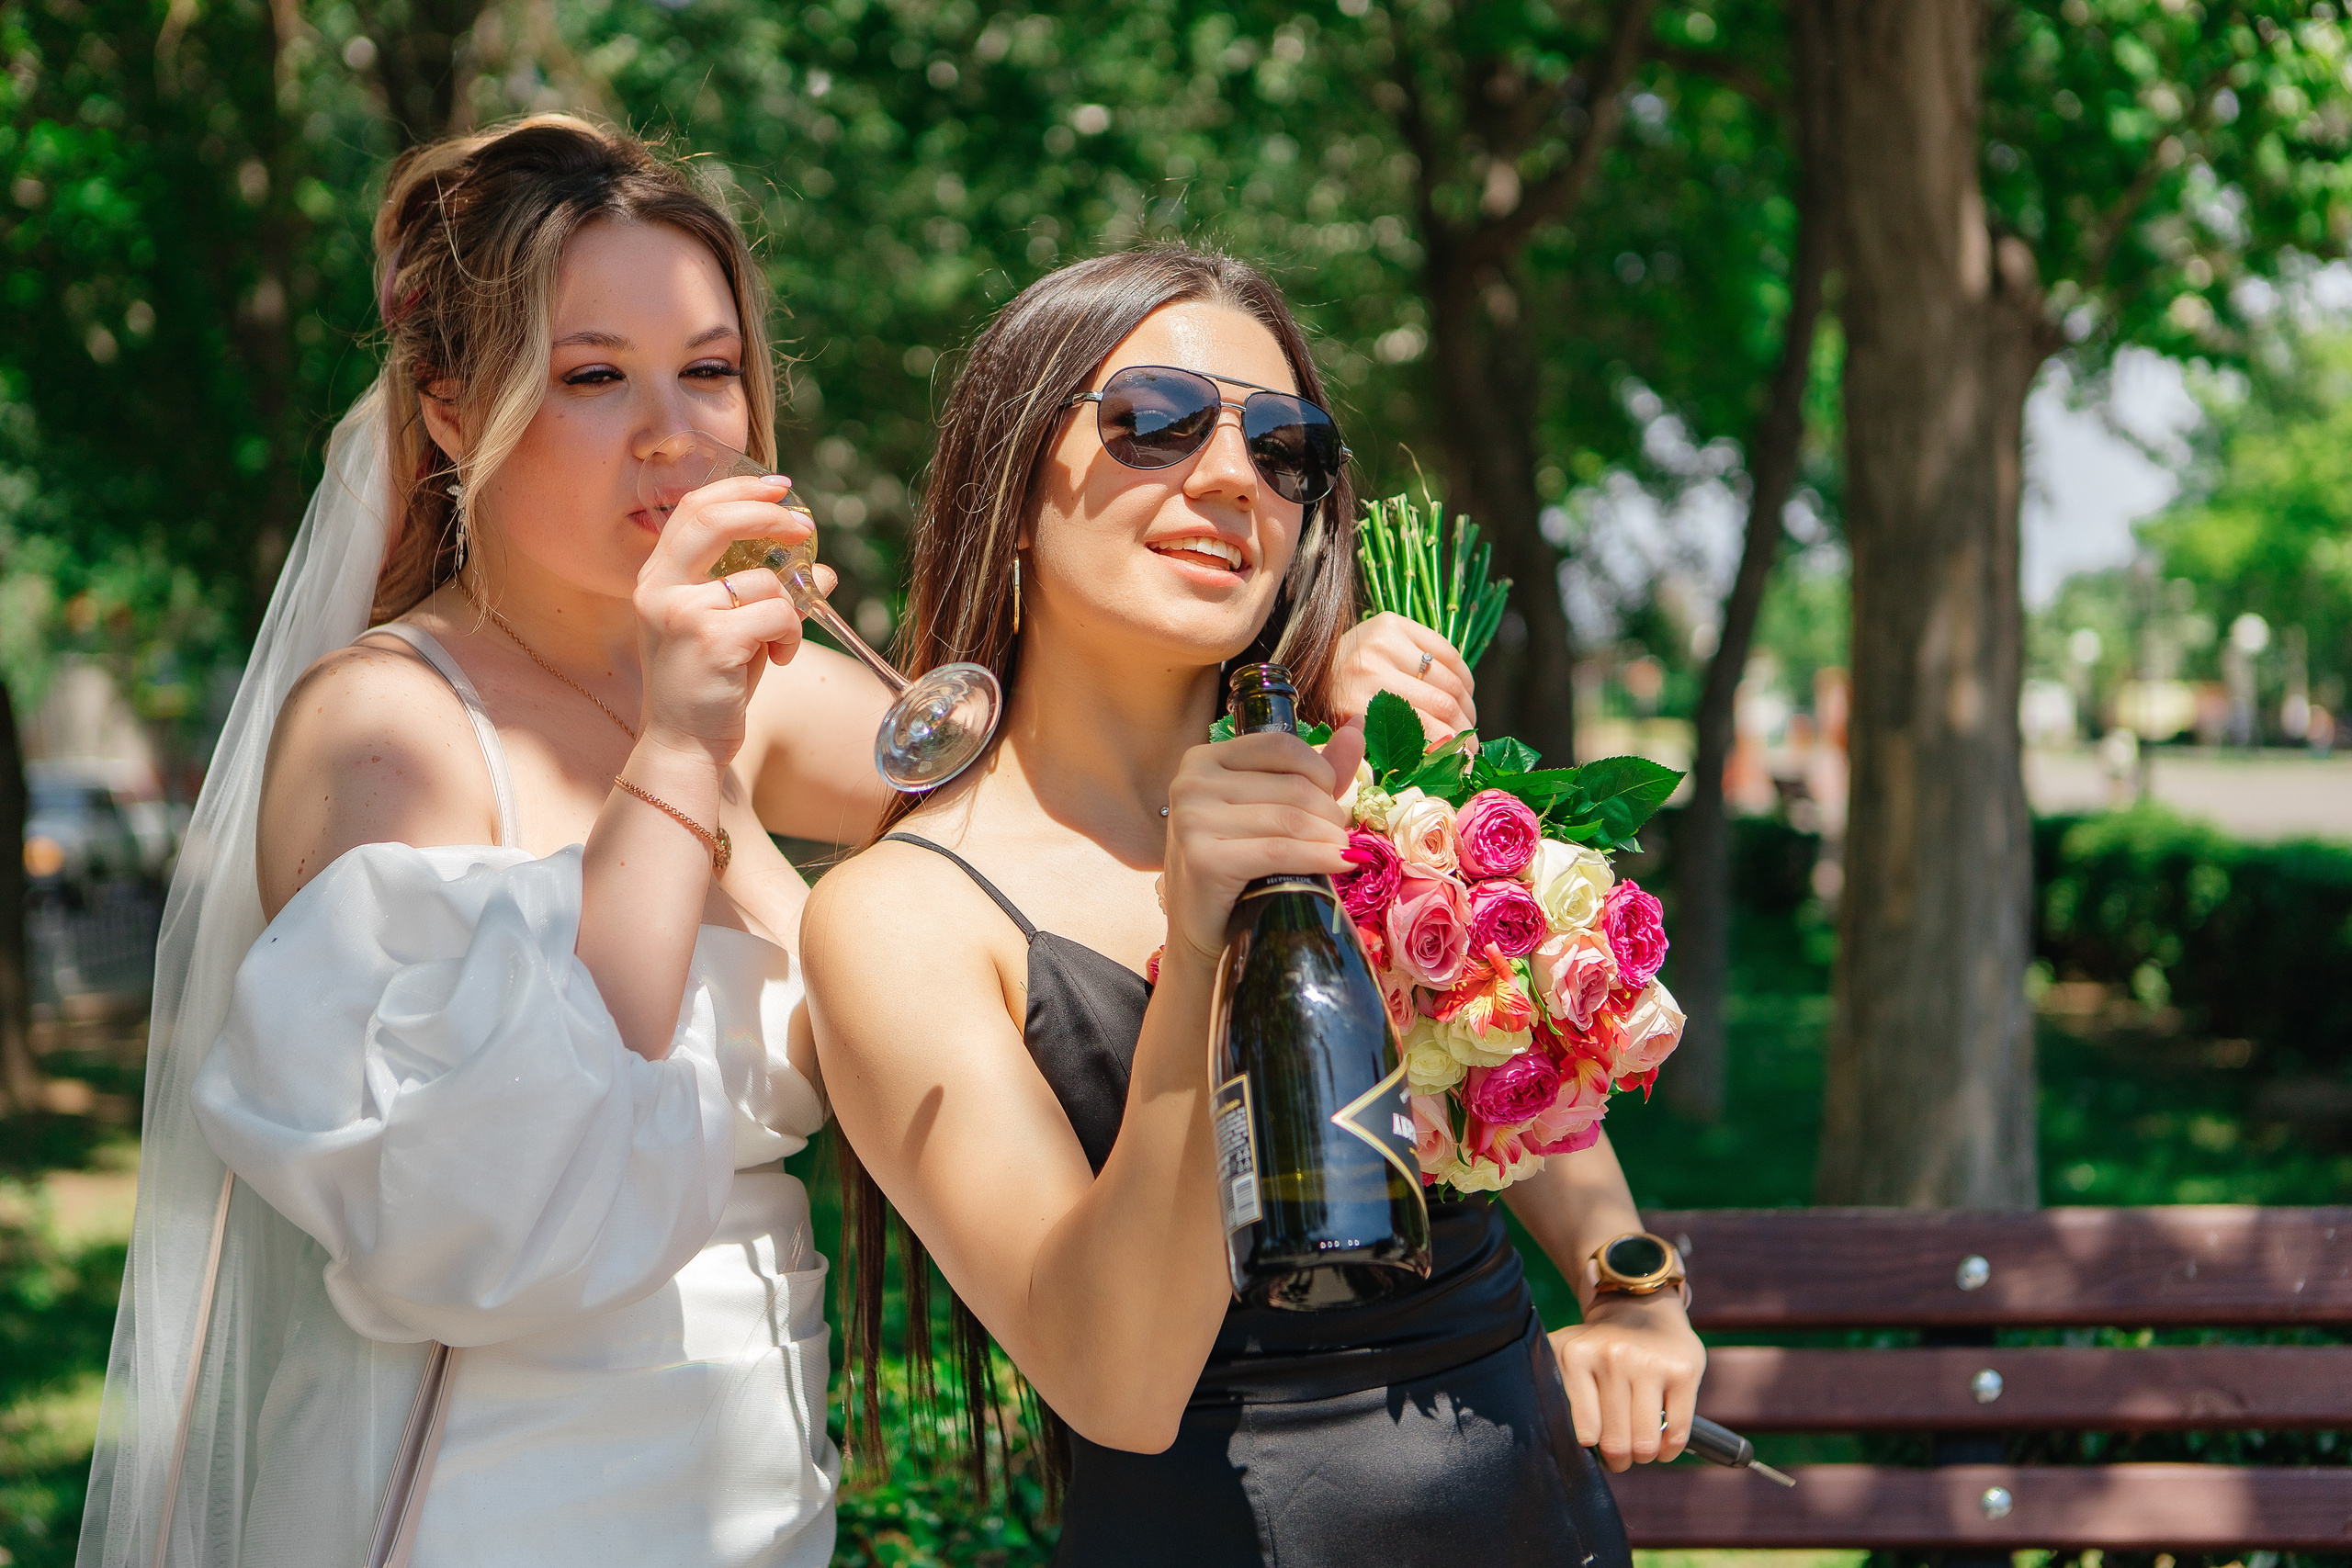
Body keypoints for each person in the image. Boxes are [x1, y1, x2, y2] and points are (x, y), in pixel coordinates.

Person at [801, 246, 1707, 1565]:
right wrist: (1208, 940)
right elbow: (1114, 1381)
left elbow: (1516, 1094)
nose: (1234, 477)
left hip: (1539, 1515)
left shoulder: (1367, 792)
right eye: (1154, 419)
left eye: (1288, 448)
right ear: (1008, 479)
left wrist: (1634, 1287)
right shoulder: (902, 918)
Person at [79, 115, 882, 1568]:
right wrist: (682, 753)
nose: (673, 432)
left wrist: (1300, 699)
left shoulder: (747, 689)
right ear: (450, 410)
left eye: (709, 371)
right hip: (494, 1510)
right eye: (592, 377)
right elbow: (502, 1195)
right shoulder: (387, 726)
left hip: (763, 1497)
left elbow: (1021, 785)